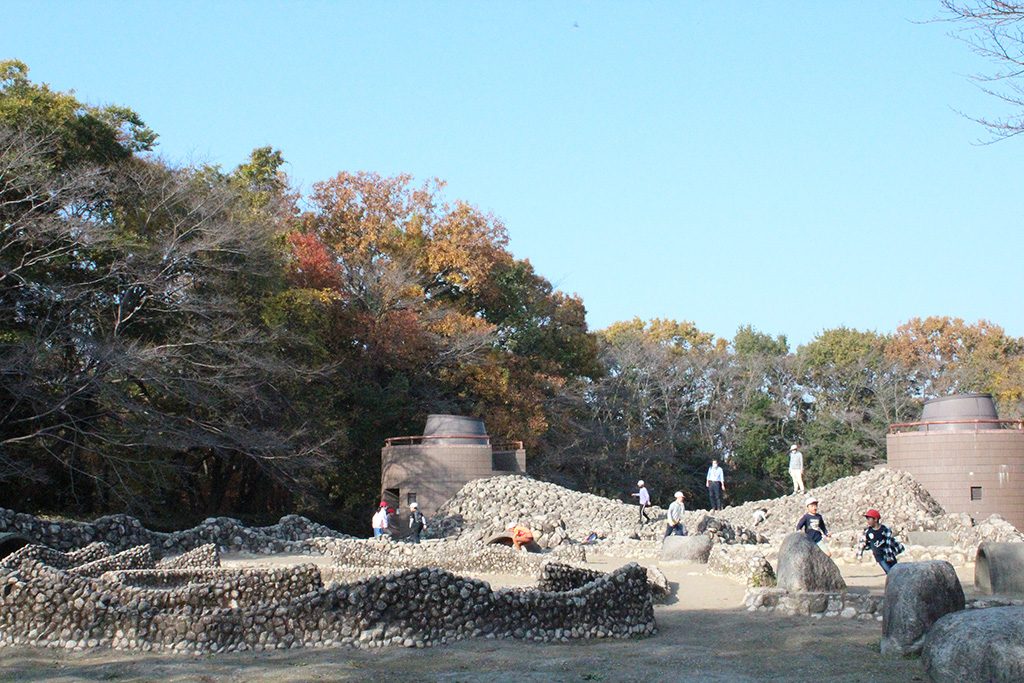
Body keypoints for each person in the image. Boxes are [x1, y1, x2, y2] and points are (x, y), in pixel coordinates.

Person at [857, 509, 905, 574]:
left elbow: (890, 542)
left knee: (896, 571)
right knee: (889, 572)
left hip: (889, 555)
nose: (867, 521)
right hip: (880, 557)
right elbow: (862, 543)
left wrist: (896, 550)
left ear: (875, 519)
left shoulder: (884, 530)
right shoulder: (868, 532)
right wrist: (859, 555)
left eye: (869, 519)